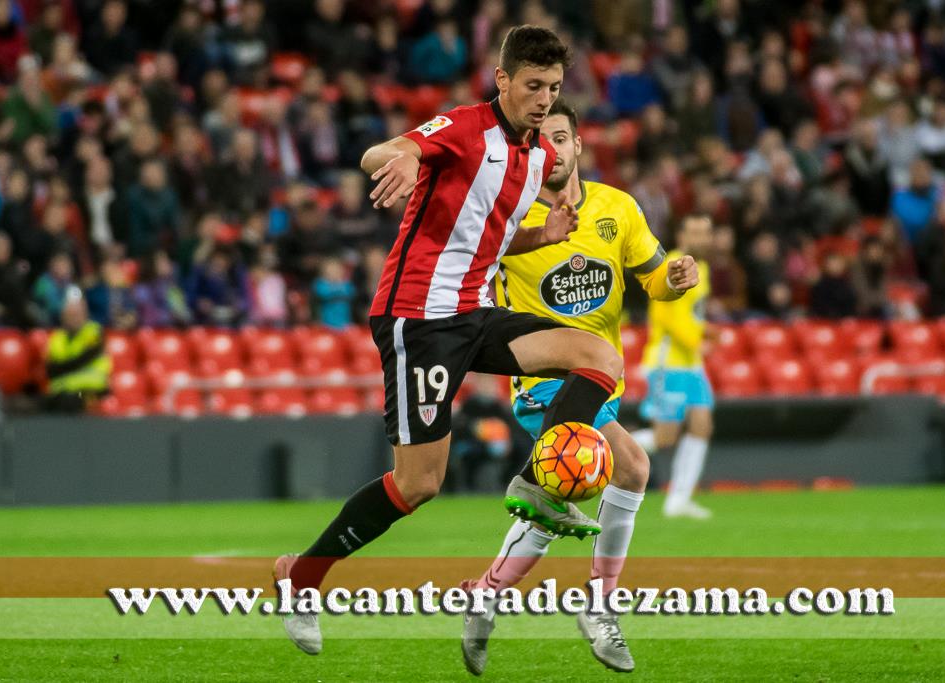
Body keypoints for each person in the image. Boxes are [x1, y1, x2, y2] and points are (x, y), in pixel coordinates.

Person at [273, 25, 698, 658]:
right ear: (503, 80)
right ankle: (300, 578)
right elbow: (377, 154)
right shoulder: (465, 127)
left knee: (599, 356)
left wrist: (544, 237)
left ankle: (534, 482)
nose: (542, 99)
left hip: (474, 311)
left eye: (553, 89)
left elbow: (491, 242)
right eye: (533, 86)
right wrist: (410, 157)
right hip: (418, 317)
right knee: (418, 484)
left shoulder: (531, 159)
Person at [461, 99, 699, 676]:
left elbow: (654, 281)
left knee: (555, 503)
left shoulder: (617, 208)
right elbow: (468, 258)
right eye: (542, 140)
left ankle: (486, 596)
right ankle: (600, 607)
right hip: (543, 382)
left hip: (603, 380)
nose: (554, 149)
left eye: (562, 138)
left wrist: (673, 280)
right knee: (634, 467)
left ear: (578, 145)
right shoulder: (508, 215)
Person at [634, 214, 716, 519]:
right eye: (695, 231)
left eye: (706, 232)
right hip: (669, 362)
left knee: (701, 426)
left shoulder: (702, 267)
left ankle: (678, 500)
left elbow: (690, 313)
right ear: (682, 234)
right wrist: (698, 340)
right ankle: (599, 451)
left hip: (691, 365)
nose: (701, 237)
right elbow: (666, 314)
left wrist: (705, 329)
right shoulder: (675, 262)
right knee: (664, 436)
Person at [44, 288, 111, 413]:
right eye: (70, 314)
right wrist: (67, 366)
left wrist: (63, 367)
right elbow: (50, 370)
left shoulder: (94, 332)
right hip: (62, 392)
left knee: (73, 401)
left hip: (91, 389)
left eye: (77, 314)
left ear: (84, 314)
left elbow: (87, 356)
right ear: (63, 316)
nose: (73, 318)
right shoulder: (56, 338)